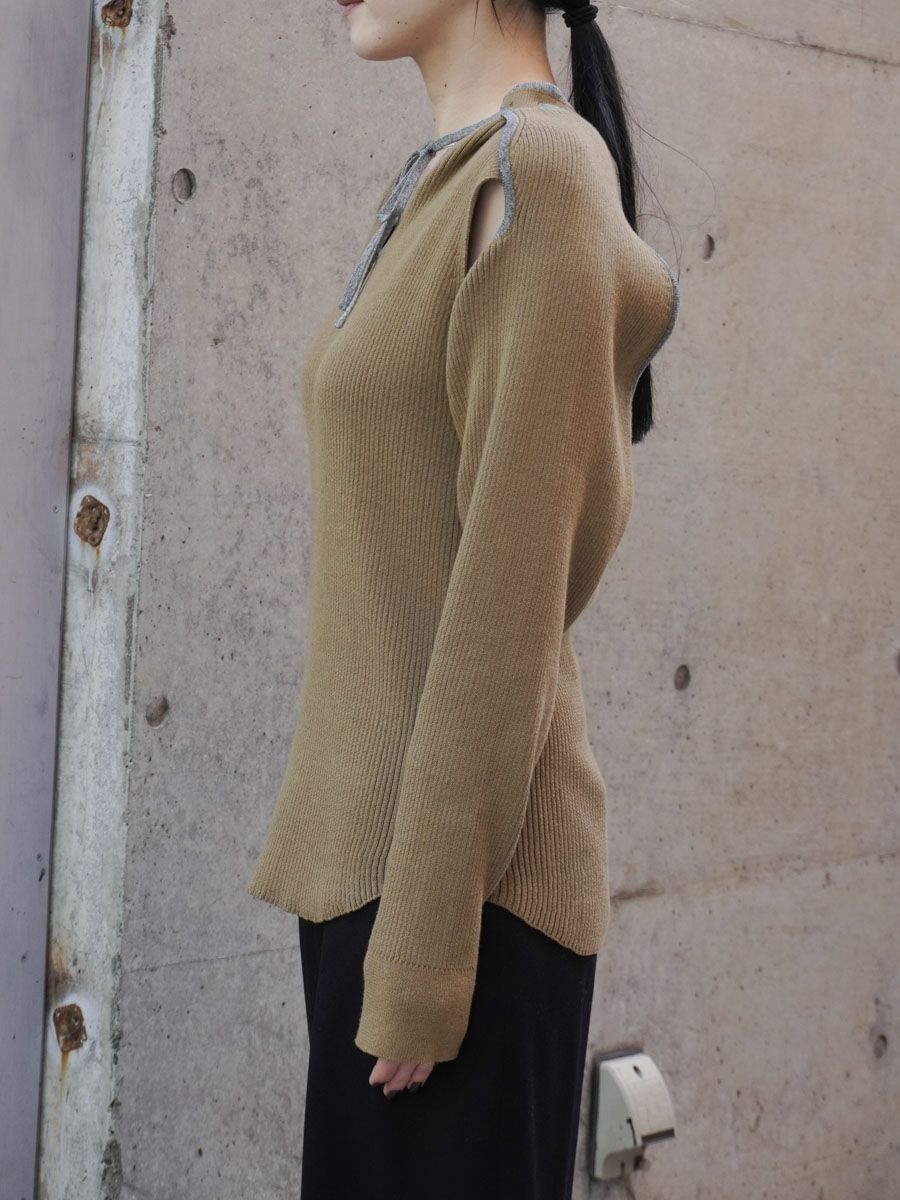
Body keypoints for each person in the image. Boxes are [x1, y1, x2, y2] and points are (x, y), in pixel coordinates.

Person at [247, 0, 680, 1196]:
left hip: (458, 902)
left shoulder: (539, 173)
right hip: (376, 879)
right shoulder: (451, 179)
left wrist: (425, 959)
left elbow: (505, 600)